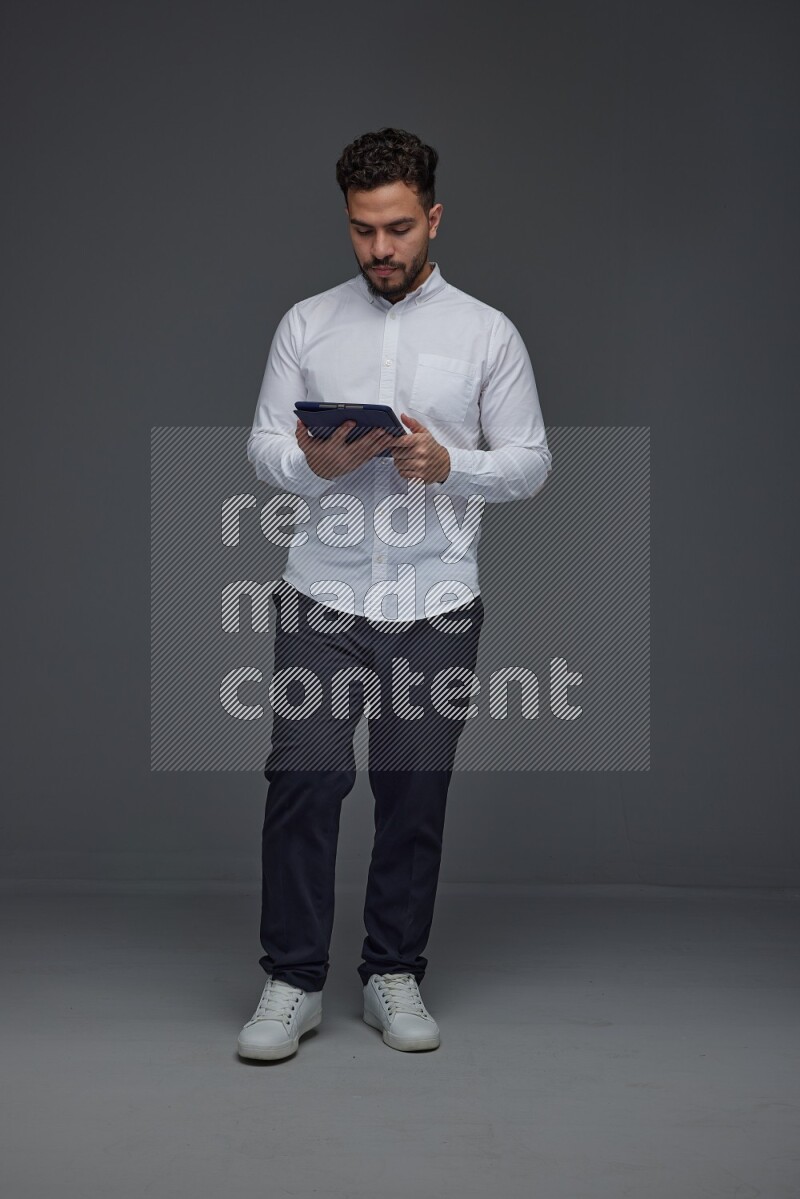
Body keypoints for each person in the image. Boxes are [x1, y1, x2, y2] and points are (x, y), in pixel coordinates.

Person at [237, 127, 552, 1061]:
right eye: (363, 230)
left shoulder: (487, 332)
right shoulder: (307, 323)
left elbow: (532, 463)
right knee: (303, 778)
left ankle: (391, 972)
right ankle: (292, 980)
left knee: (414, 790)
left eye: (399, 228)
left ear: (433, 218)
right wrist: (312, 461)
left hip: (437, 598)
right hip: (321, 597)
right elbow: (261, 449)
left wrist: (450, 464)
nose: (381, 249)